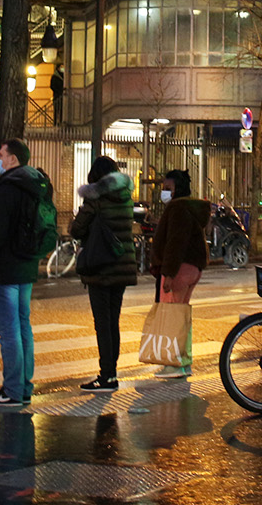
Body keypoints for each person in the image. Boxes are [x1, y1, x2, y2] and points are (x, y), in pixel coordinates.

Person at [0, 138, 52, 408]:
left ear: (13, 160)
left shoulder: (7, 188)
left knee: (9, 331)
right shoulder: (36, 186)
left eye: (1, 155)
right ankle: (24, 386)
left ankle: (13, 391)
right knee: (22, 327)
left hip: (4, 268)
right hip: (26, 264)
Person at [70, 155, 137, 391]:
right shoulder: (125, 198)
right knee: (113, 321)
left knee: (102, 324)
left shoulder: (95, 199)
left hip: (100, 265)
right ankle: (111, 373)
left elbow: (76, 228)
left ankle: (107, 376)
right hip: (121, 264)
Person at [149, 168, 210, 378]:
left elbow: (176, 242)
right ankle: (184, 361)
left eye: (168, 188)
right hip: (193, 267)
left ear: (177, 190)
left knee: (171, 315)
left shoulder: (177, 209)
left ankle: (173, 364)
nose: (164, 192)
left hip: (179, 268)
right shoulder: (190, 208)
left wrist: (169, 273)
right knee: (182, 316)